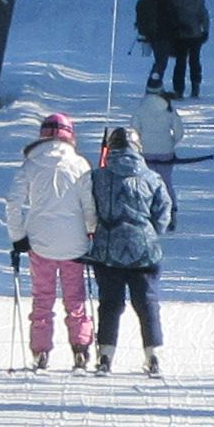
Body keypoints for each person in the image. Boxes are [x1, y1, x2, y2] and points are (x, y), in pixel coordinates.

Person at [4, 113, 99, 370]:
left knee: (42, 297)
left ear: (42, 135)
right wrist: (91, 231)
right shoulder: (80, 165)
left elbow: (13, 203)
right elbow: (89, 205)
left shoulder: (30, 165)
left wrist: (18, 236)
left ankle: (40, 351)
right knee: (75, 298)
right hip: (75, 243)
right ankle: (80, 347)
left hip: (40, 242)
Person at [87, 124, 173, 374]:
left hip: (107, 250)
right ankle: (153, 355)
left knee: (110, 303)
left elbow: (88, 207)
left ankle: (105, 355)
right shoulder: (152, 178)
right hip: (144, 250)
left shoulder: (98, 176)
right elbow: (163, 213)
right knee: (147, 303)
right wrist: (150, 233)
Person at [134, 84, 187, 226]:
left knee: (146, 183)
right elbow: (179, 132)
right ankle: (171, 213)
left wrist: (140, 145)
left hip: (146, 153)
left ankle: (148, 212)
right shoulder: (169, 109)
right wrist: (170, 143)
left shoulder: (140, 109)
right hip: (165, 153)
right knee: (166, 183)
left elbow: (134, 131)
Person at [160, 0, 209, 99]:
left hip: (180, 34)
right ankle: (195, 86)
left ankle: (178, 89)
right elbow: (203, 14)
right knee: (195, 60)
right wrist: (205, 30)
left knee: (180, 62)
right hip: (195, 33)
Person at [134, 0, 174, 89]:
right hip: (164, 31)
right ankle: (154, 84)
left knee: (159, 58)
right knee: (162, 59)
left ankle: (154, 83)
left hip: (150, 31)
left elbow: (140, 10)